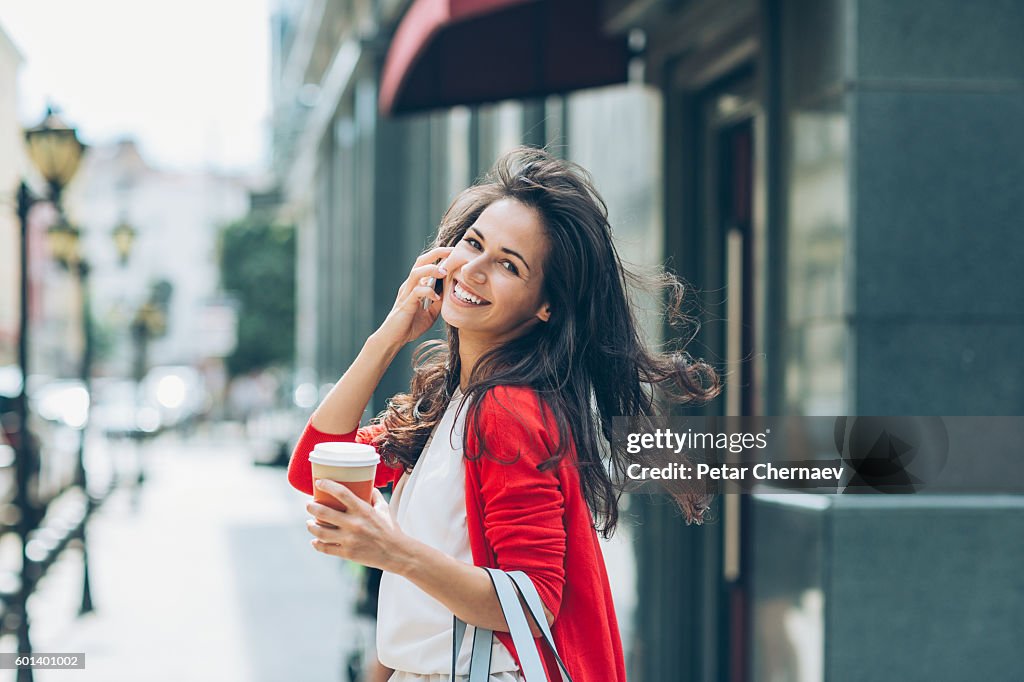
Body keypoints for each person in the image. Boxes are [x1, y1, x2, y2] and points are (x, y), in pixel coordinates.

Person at [287, 147, 720, 681]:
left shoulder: (506, 411)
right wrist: (390, 334)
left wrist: (392, 550)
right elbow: (314, 470)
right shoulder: (458, 400)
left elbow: (534, 600)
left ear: (546, 305)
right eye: (473, 243)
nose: (473, 269)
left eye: (508, 265)